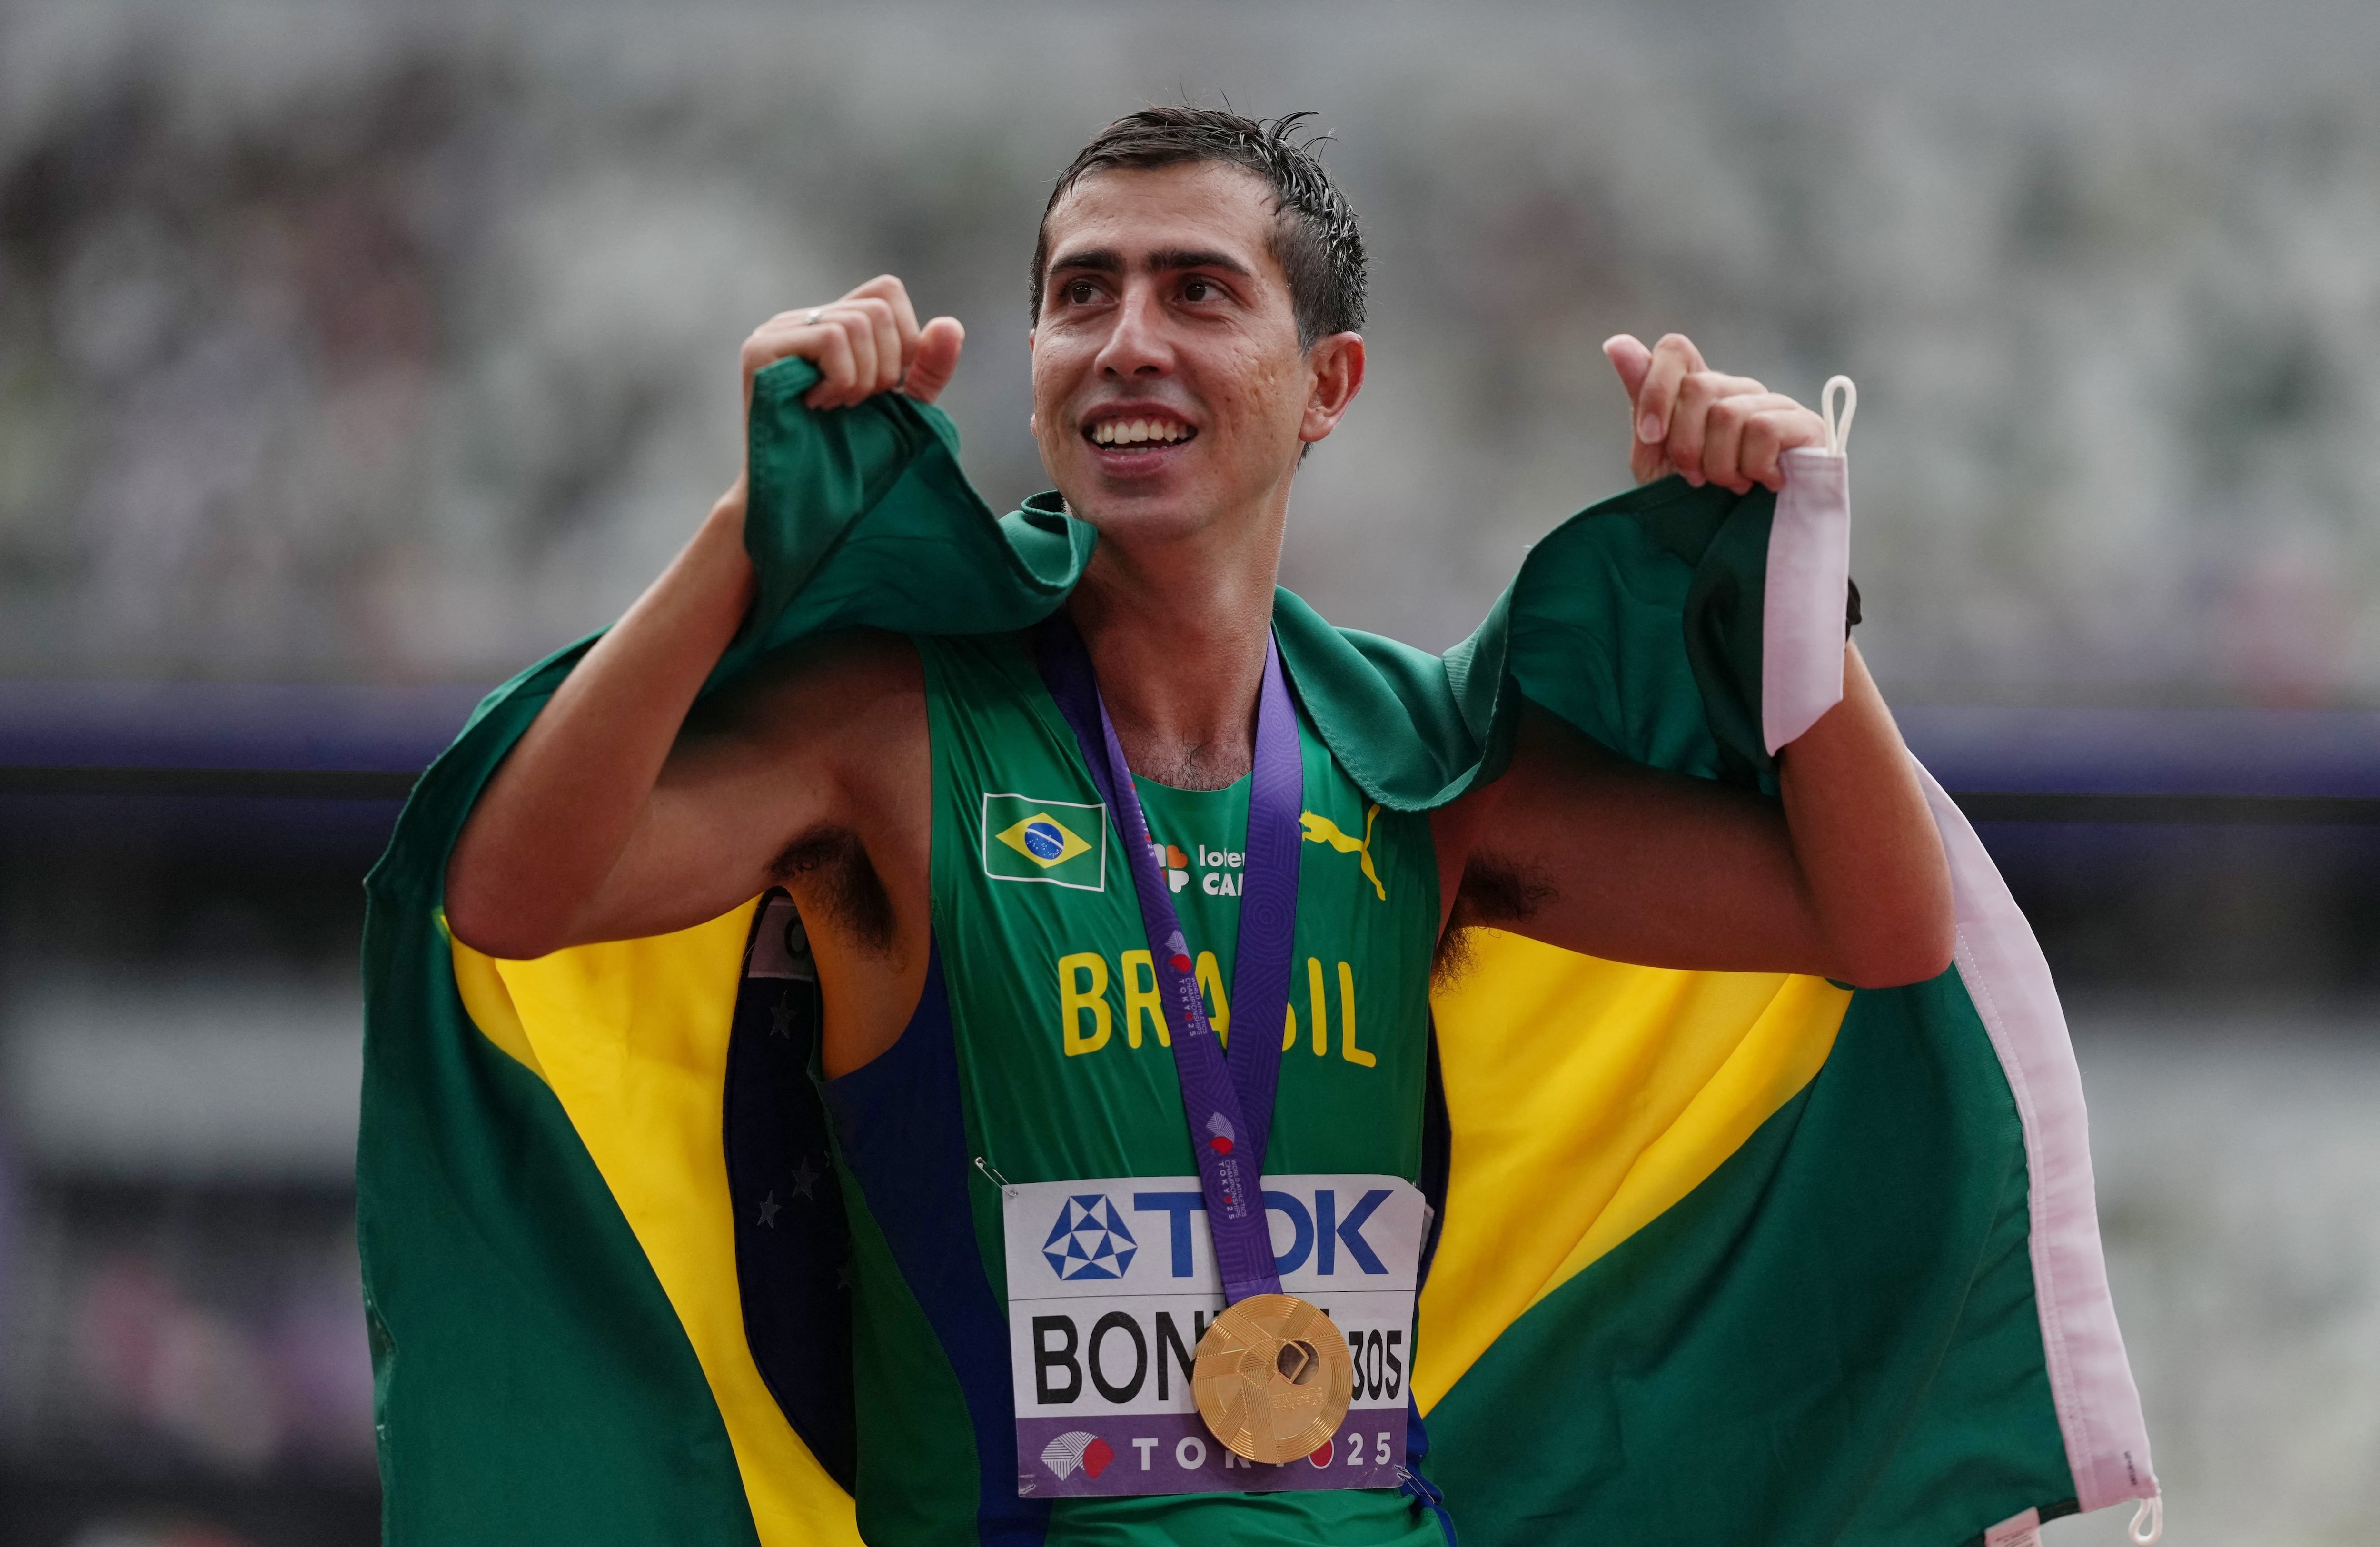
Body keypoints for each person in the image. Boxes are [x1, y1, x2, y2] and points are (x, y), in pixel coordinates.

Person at [443, 107, 1954, 1547]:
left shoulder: (1419, 760)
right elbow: (513, 891)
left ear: (1329, 383)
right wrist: (740, 537)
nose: (1127, 342)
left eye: (1199, 292)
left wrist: (1794, 590)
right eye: (1081, 293)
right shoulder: (889, 738)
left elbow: (1880, 923)